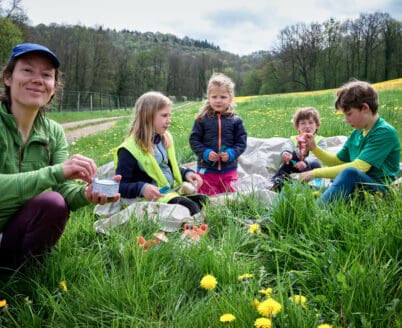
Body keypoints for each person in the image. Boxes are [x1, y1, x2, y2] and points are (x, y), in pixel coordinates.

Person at [0, 43, 120, 271]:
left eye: (46, 75)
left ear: (54, 87)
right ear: (8, 77)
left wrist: (87, 194)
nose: (37, 79)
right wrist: (56, 171)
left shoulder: (53, 131)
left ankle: (23, 275)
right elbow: (56, 175)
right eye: (27, 70)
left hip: (13, 232)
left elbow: (63, 192)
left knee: (54, 203)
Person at [299, 80, 400, 204]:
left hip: (378, 191)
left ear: (365, 108)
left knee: (349, 172)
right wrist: (314, 148)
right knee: (300, 185)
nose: (346, 120)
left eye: (349, 114)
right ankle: (271, 217)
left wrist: (315, 173)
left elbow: (359, 167)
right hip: (356, 187)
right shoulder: (357, 132)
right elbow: (337, 160)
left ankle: (314, 215)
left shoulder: (384, 132)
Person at [115, 91, 207, 217]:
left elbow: (169, 166)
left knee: (203, 200)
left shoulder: (163, 139)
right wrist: (142, 188)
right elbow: (120, 186)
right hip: (148, 199)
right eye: (164, 116)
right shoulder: (129, 150)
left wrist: (187, 173)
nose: (169, 121)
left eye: (169, 115)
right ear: (148, 116)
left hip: (168, 192)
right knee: (191, 208)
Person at [189, 73, 247, 195]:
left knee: (231, 199)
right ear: (208, 98)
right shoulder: (201, 119)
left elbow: (241, 143)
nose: (218, 100)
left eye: (223, 97)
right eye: (214, 97)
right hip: (206, 170)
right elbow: (194, 141)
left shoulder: (236, 120)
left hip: (229, 170)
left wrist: (232, 153)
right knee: (208, 200)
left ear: (230, 98)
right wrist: (206, 153)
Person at [270, 107, 326, 191]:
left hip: (310, 168)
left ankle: (308, 186)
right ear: (297, 127)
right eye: (303, 123)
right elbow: (287, 146)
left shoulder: (320, 140)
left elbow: (317, 156)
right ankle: (277, 182)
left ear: (317, 125)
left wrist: (305, 162)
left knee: (315, 164)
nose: (307, 126)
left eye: (311, 123)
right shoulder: (294, 139)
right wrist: (286, 152)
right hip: (295, 165)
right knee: (292, 156)